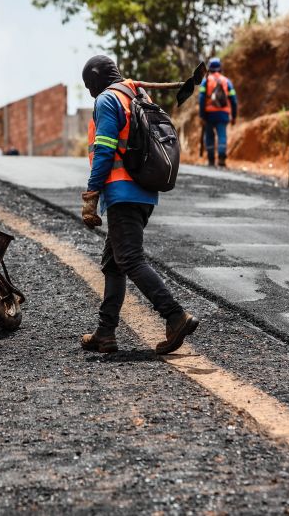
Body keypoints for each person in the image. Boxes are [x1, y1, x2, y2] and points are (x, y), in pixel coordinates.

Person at [79, 55, 199, 355]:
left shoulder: (108, 100)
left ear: (94, 79)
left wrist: (91, 195)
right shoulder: (138, 94)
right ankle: (105, 333)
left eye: (88, 85)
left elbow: (105, 151)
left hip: (122, 193)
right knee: (113, 263)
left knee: (130, 258)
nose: (89, 91)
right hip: (145, 191)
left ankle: (174, 315)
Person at [199, 57, 237, 167]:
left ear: (209, 68)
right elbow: (233, 100)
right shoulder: (227, 82)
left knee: (209, 136)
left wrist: (202, 115)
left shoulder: (206, 81)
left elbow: (201, 99)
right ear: (220, 68)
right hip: (223, 114)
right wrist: (234, 116)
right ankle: (221, 159)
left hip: (209, 114)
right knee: (222, 136)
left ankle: (211, 160)